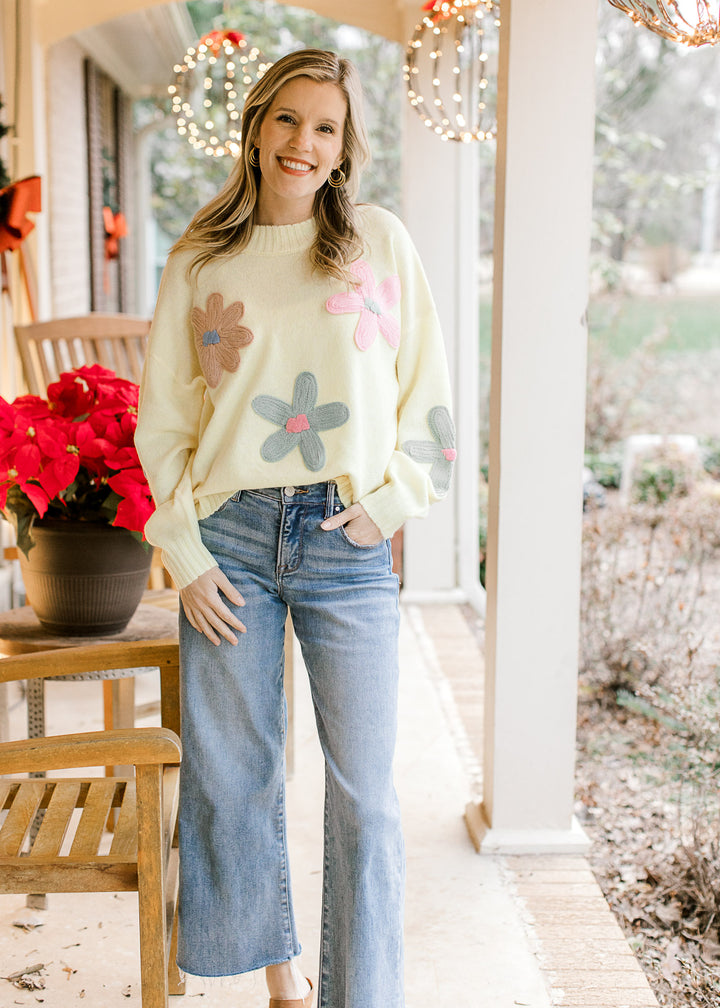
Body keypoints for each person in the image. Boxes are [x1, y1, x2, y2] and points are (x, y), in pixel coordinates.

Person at [136, 47, 455, 1008]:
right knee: (235, 774)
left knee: (365, 791)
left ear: (343, 145)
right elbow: (163, 422)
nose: (302, 142)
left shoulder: (378, 244)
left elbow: (428, 404)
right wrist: (183, 554)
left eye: (324, 127)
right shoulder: (201, 256)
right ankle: (280, 977)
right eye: (287, 120)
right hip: (228, 539)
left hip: (345, 540)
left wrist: (391, 506)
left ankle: (363, 995)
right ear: (256, 127)